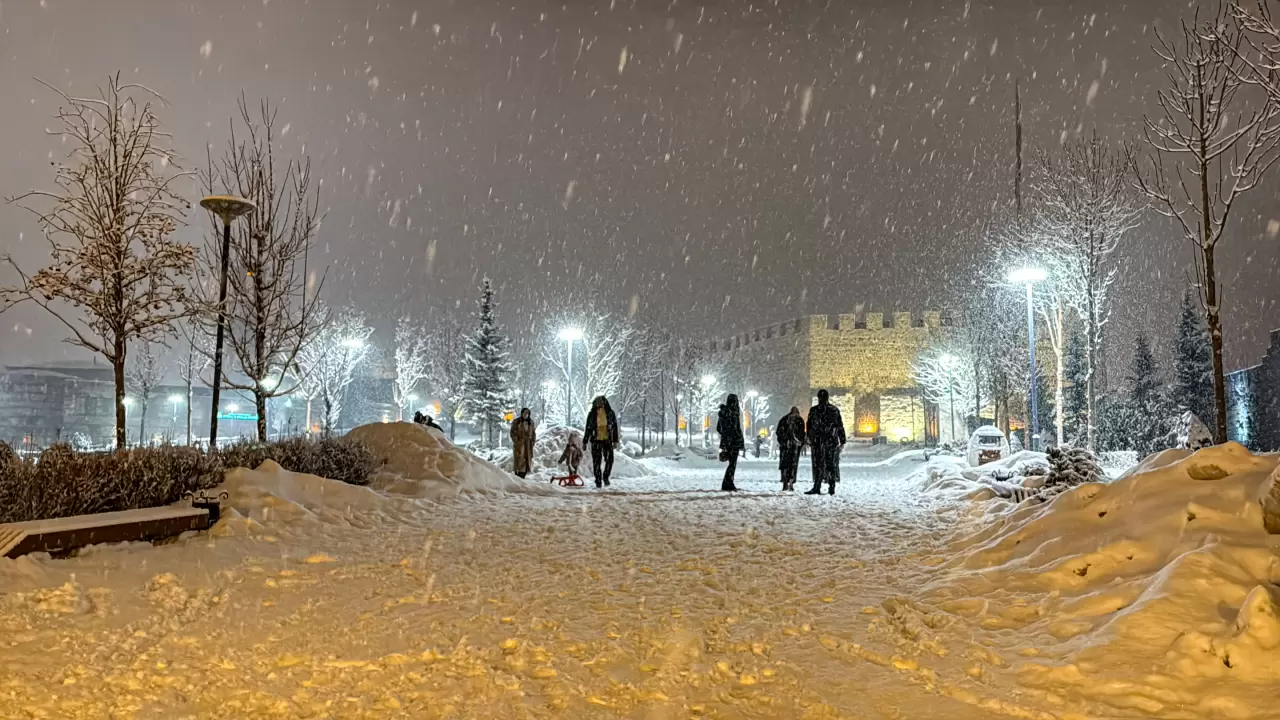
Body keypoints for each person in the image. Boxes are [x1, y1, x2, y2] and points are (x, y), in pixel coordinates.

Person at [806, 389, 846, 495]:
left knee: (819, 464)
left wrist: (810, 438)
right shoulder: (834, 410)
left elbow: (809, 426)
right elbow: (839, 426)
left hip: (819, 441)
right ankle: (831, 486)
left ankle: (817, 486)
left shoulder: (814, 410)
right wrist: (842, 440)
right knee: (831, 464)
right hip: (830, 440)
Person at [583, 395, 620, 488]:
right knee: (596, 462)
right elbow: (588, 428)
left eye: (601, 402)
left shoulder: (610, 413)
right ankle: (598, 480)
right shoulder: (592, 414)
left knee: (610, 460)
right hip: (596, 441)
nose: (599, 404)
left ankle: (606, 476)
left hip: (607, 440)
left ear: (605, 403)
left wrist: (615, 440)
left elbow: (615, 427)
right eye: (597, 402)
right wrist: (585, 441)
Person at [716, 395, 745, 492]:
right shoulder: (734, 413)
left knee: (731, 463)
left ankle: (728, 482)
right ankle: (728, 482)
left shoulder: (723, 413)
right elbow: (737, 429)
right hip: (733, 442)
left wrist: (725, 435)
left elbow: (718, 428)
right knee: (732, 463)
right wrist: (737, 438)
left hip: (726, 442)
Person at [775, 406, 806, 491]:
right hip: (792, 446)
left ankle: (786, 482)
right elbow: (802, 433)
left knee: (786, 465)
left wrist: (784, 441)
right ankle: (790, 482)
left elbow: (779, 432)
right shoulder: (799, 420)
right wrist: (799, 441)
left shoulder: (784, 420)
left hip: (787, 446)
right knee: (792, 465)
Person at [509, 408, 536, 479]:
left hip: (528, 444)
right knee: (519, 459)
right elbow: (512, 432)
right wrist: (517, 441)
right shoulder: (516, 422)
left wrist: (532, 441)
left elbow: (533, 433)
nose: (526, 415)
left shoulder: (531, 422)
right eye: (524, 413)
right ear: (522, 413)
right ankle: (517, 474)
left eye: (527, 413)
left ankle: (523, 475)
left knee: (527, 460)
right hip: (520, 444)